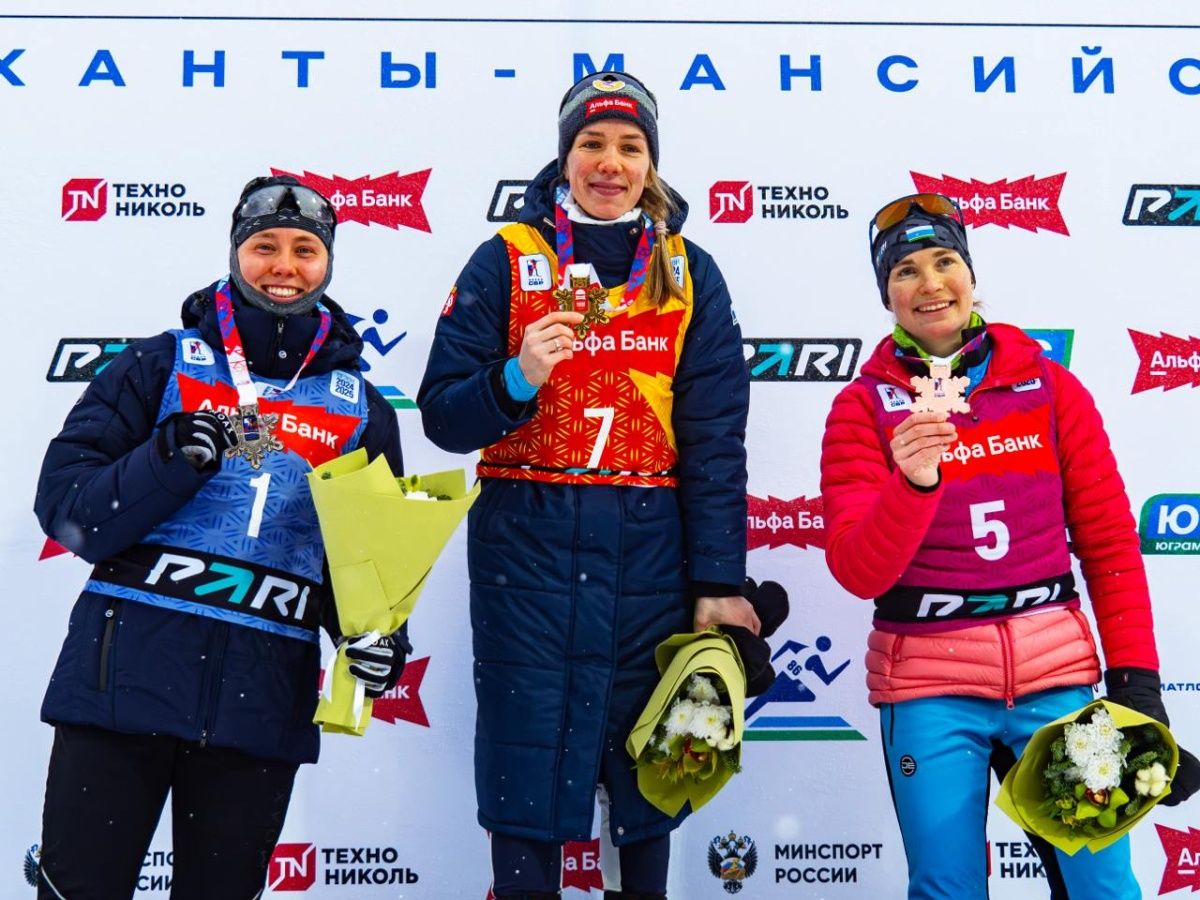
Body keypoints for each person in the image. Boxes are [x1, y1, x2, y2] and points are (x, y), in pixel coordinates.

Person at [419, 71, 754, 899]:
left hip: (650, 552)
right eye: (592, 144)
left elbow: (714, 440)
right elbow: (443, 414)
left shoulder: (688, 271)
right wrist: (516, 377)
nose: (610, 163)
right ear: (564, 158)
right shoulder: (508, 257)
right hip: (526, 547)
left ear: (651, 164)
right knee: (525, 761)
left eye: (630, 147)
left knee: (649, 770)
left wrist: (717, 581)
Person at [33, 175, 407, 899]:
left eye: (304, 250)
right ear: (236, 253)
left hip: (260, 700)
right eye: (265, 246)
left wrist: (376, 640)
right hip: (122, 682)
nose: (284, 266)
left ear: (327, 264)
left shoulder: (360, 406)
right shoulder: (158, 363)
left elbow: (370, 563)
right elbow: (68, 509)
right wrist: (166, 460)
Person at [819, 192, 1199, 899]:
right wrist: (913, 482)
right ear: (886, 295)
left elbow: (1110, 545)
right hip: (929, 686)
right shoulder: (862, 408)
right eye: (905, 271)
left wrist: (1137, 686)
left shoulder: (1048, 386)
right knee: (948, 887)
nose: (930, 284)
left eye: (945, 262)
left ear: (970, 273)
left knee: (1102, 886)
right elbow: (858, 571)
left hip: (1054, 679)